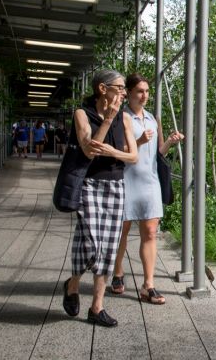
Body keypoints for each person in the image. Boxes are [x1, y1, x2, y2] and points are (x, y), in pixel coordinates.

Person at [62, 69, 138, 327]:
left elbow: (134, 156)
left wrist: (113, 151)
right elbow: (89, 150)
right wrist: (107, 120)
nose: (123, 92)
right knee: (92, 243)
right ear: (102, 89)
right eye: (119, 87)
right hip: (89, 185)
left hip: (115, 186)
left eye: (124, 88)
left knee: (107, 246)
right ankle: (73, 284)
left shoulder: (126, 118)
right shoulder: (82, 114)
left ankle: (97, 307)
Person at [110, 74, 184, 305]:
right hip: (125, 179)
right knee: (121, 231)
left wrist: (169, 142)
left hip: (150, 181)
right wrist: (139, 141)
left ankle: (148, 285)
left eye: (147, 91)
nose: (144, 96)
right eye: (140, 91)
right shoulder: (121, 117)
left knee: (150, 232)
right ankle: (117, 272)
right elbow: (115, 149)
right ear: (129, 93)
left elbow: (157, 153)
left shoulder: (152, 118)